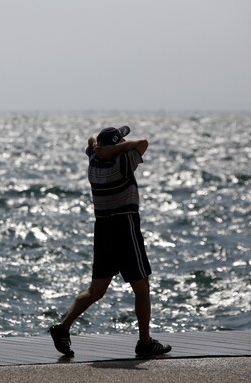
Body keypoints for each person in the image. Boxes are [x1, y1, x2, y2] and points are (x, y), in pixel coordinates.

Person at [49, 125, 171, 358]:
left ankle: (62, 327)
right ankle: (145, 343)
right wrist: (117, 148)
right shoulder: (122, 164)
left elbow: (91, 137)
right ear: (116, 146)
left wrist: (101, 147)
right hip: (125, 227)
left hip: (102, 229)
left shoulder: (94, 163)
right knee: (141, 286)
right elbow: (143, 142)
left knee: (96, 290)